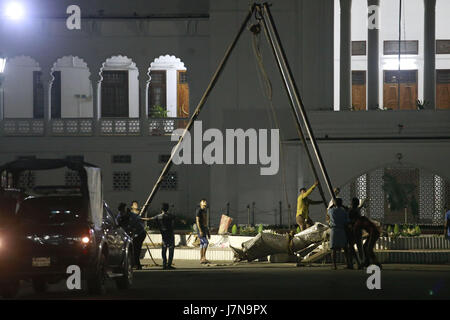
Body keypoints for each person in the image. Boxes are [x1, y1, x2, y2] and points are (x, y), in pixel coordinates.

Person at [349, 197, 381, 268]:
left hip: (373, 233)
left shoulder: (357, 223)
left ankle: (377, 263)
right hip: (373, 232)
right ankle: (367, 262)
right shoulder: (361, 218)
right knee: (364, 247)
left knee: (369, 249)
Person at [117, 202, 147, 270]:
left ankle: (137, 264)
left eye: (123, 211)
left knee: (136, 249)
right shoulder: (120, 217)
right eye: (121, 212)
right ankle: (134, 264)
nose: (122, 213)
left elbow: (134, 227)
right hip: (132, 234)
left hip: (140, 234)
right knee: (133, 249)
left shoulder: (132, 216)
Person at [148, 203, 176, 270]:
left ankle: (164, 264)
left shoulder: (158, 216)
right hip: (170, 234)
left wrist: (140, 218)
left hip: (164, 235)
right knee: (171, 249)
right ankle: (169, 264)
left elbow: (150, 219)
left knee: (164, 249)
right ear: (167, 209)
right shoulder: (170, 216)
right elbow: (175, 219)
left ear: (161, 209)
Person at [328, 198, 352, 270]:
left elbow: (328, 212)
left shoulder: (331, 210)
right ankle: (348, 264)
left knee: (333, 249)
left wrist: (332, 205)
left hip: (334, 230)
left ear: (334, 203)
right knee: (345, 248)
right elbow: (347, 220)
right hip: (342, 230)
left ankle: (334, 265)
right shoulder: (344, 211)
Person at [196, 199, 210, 264]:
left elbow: (205, 222)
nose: (205, 206)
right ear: (201, 204)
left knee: (202, 244)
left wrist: (208, 232)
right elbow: (197, 221)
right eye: (204, 205)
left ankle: (202, 258)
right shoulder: (199, 211)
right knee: (206, 243)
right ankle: (203, 257)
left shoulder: (204, 211)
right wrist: (200, 230)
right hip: (200, 230)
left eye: (205, 205)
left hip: (204, 229)